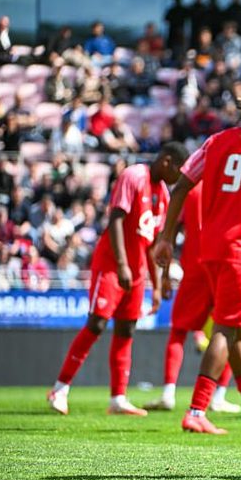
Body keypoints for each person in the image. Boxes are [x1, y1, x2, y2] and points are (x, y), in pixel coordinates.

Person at [153, 83, 241, 435]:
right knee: (227, 328)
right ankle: (197, 410)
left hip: (210, 249)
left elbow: (181, 186)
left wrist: (166, 237)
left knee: (235, 332)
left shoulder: (215, 142)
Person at [47, 142, 190, 416]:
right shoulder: (133, 176)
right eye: (178, 170)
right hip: (111, 264)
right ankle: (60, 389)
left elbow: (151, 244)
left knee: (126, 329)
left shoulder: (163, 193)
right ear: (166, 161)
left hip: (136, 270)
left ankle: (118, 398)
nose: (179, 177)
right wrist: (122, 265)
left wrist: (155, 285)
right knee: (97, 323)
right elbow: (115, 220)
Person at [143, 184, 241, 414]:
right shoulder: (227, 187)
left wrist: (165, 275)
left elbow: (172, 231)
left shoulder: (190, 190)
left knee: (178, 331)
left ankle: (168, 393)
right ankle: (218, 396)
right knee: (230, 331)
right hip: (222, 266)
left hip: (195, 268)